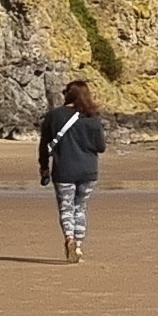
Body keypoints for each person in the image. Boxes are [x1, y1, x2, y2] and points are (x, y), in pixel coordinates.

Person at [35, 79, 108, 262]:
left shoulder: (54, 116)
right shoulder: (92, 118)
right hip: (88, 170)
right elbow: (101, 147)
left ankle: (69, 238)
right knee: (80, 208)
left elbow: (44, 145)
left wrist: (44, 167)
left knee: (66, 207)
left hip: (64, 170)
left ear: (67, 94)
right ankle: (79, 247)